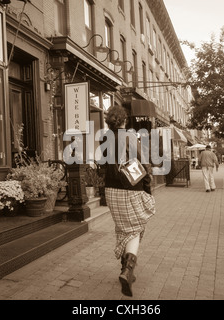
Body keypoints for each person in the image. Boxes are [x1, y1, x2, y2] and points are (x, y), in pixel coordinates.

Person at [103, 105, 156, 297]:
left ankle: (125, 269)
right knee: (135, 228)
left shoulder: (104, 138)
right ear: (124, 120)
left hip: (110, 191)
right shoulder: (130, 137)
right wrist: (148, 187)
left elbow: (102, 164)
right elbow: (143, 163)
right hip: (131, 188)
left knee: (124, 228)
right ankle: (127, 270)